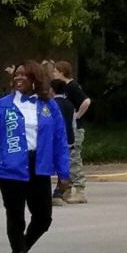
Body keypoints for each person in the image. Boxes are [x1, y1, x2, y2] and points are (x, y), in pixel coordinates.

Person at [0, 61, 71, 253]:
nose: (18, 78)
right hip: (10, 168)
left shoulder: (49, 106)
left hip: (39, 165)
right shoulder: (2, 106)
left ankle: (21, 247)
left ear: (35, 79)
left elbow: (60, 141)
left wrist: (64, 173)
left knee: (43, 218)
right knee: (16, 216)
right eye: (16, 75)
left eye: (24, 75)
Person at [51, 61, 91, 204]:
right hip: (69, 127)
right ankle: (67, 189)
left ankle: (80, 189)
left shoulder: (72, 86)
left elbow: (86, 101)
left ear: (62, 72)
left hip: (76, 128)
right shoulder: (64, 88)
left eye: (55, 71)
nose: (54, 74)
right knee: (67, 159)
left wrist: (78, 114)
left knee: (74, 157)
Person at [48, 77, 76, 206]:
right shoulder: (69, 104)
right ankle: (60, 192)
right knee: (64, 167)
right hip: (69, 138)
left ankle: (52, 194)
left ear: (52, 90)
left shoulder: (52, 104)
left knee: (48, 166)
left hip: (56, 140)